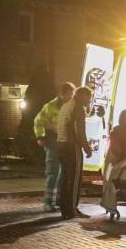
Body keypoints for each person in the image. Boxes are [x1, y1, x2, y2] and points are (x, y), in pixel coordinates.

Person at [33, 82, 76, 212]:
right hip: (52, 141)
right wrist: (40, 137)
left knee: (63, 172)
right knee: (53, 172)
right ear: (63, 94)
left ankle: (57, 200)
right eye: (70, 94)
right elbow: (38, 122)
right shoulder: (50, 106)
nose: (71, 96)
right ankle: (47, 202)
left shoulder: (71, 106)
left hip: (64, 142)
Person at [56, 86, 93, 219]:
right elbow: (79, 131)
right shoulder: (78, 108)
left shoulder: (65, 106)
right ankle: (72, 210)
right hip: (71, 146)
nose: (89, 101)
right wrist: (86, 147)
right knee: (74, 179)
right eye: (88, 98)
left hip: (60, 144)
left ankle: (64, 208)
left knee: (65, 178)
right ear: (83, 96)